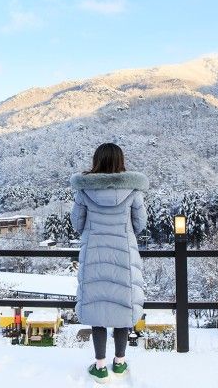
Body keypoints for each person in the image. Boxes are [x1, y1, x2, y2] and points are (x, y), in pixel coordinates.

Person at [70, 143, 148, 383]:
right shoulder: (133, 191)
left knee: (98, 309)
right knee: (122, 306)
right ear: (120, 161)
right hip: (123, 253)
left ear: (97, 161)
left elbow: (77, 224)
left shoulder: (84, 191)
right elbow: (140, 224)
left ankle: (100, 366)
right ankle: (120, 363)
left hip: (94, 253)